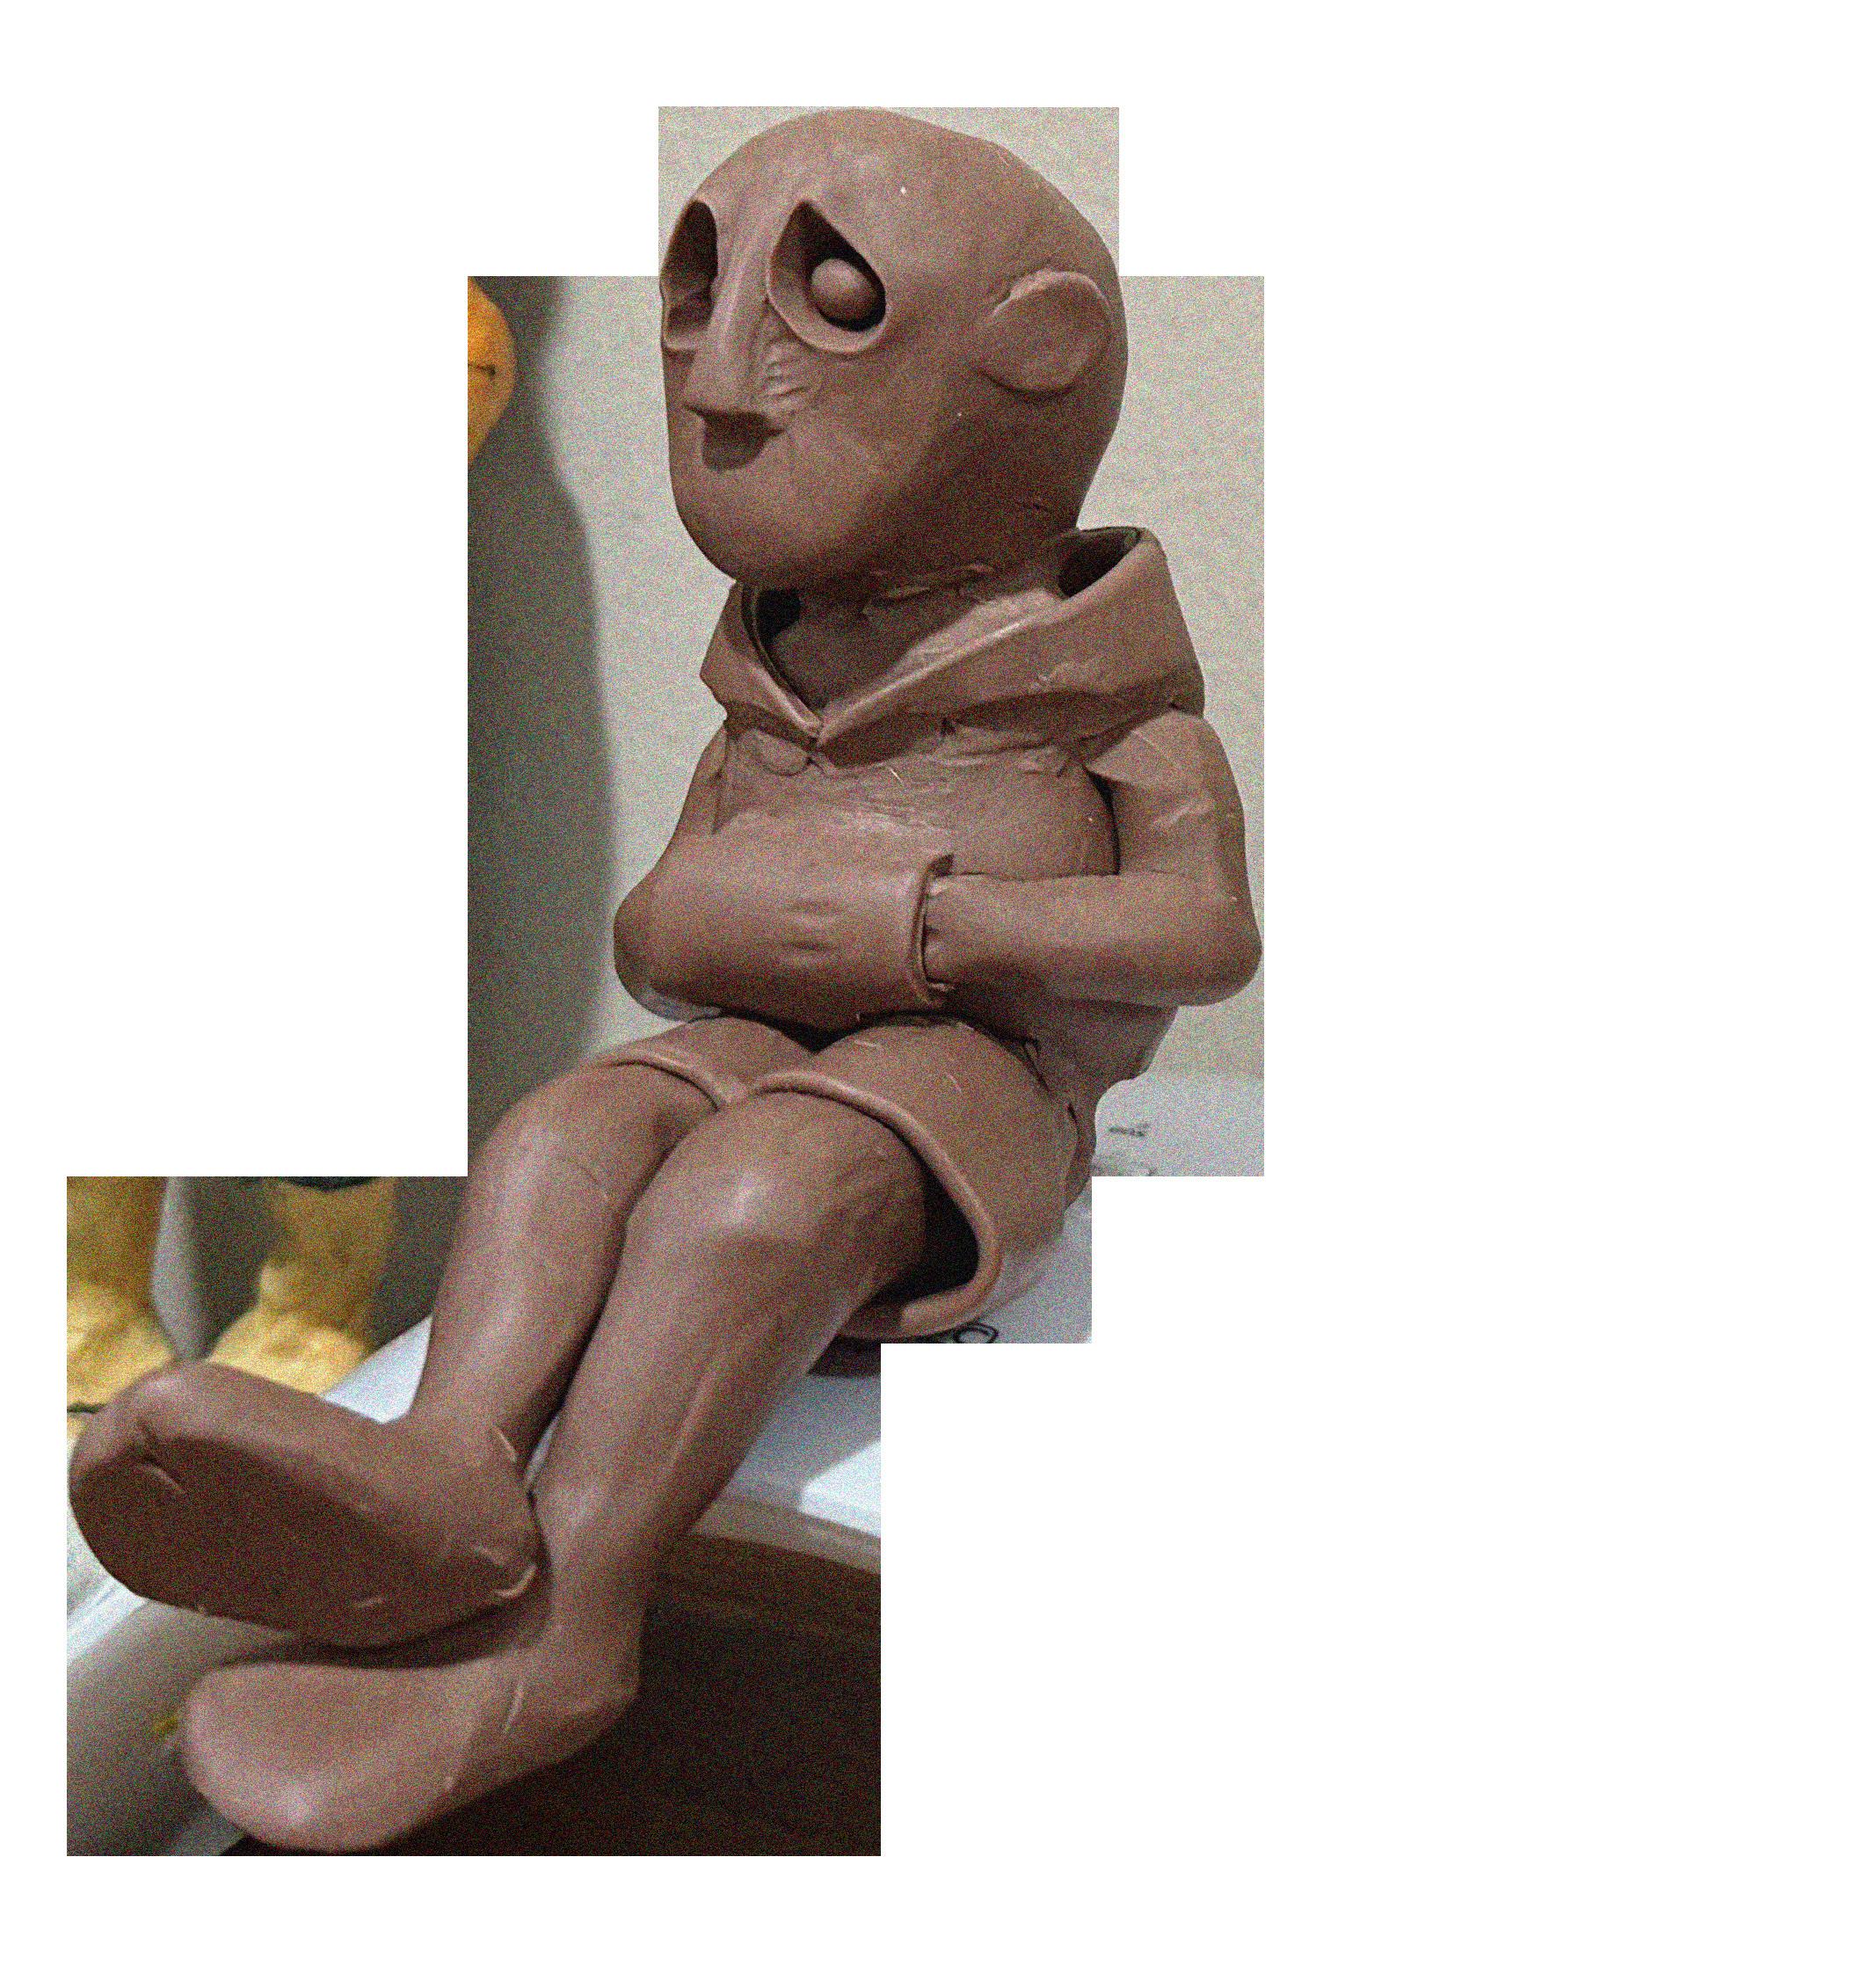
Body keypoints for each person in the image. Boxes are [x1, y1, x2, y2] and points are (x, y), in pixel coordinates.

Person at [69, 110, 1260, 1852]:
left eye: (830, 296)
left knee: (757, 1190)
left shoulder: (1112, 695)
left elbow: (1202, 935)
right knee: (559, 1130)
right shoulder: (766, 683)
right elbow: (652, 936)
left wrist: (927, 929)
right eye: (697, 294)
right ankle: (448, 1476)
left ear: (1041, 352)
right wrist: (720, 923)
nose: (713, 374)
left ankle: (572, 1624)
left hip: (982, 1083)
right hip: (755, 1040)